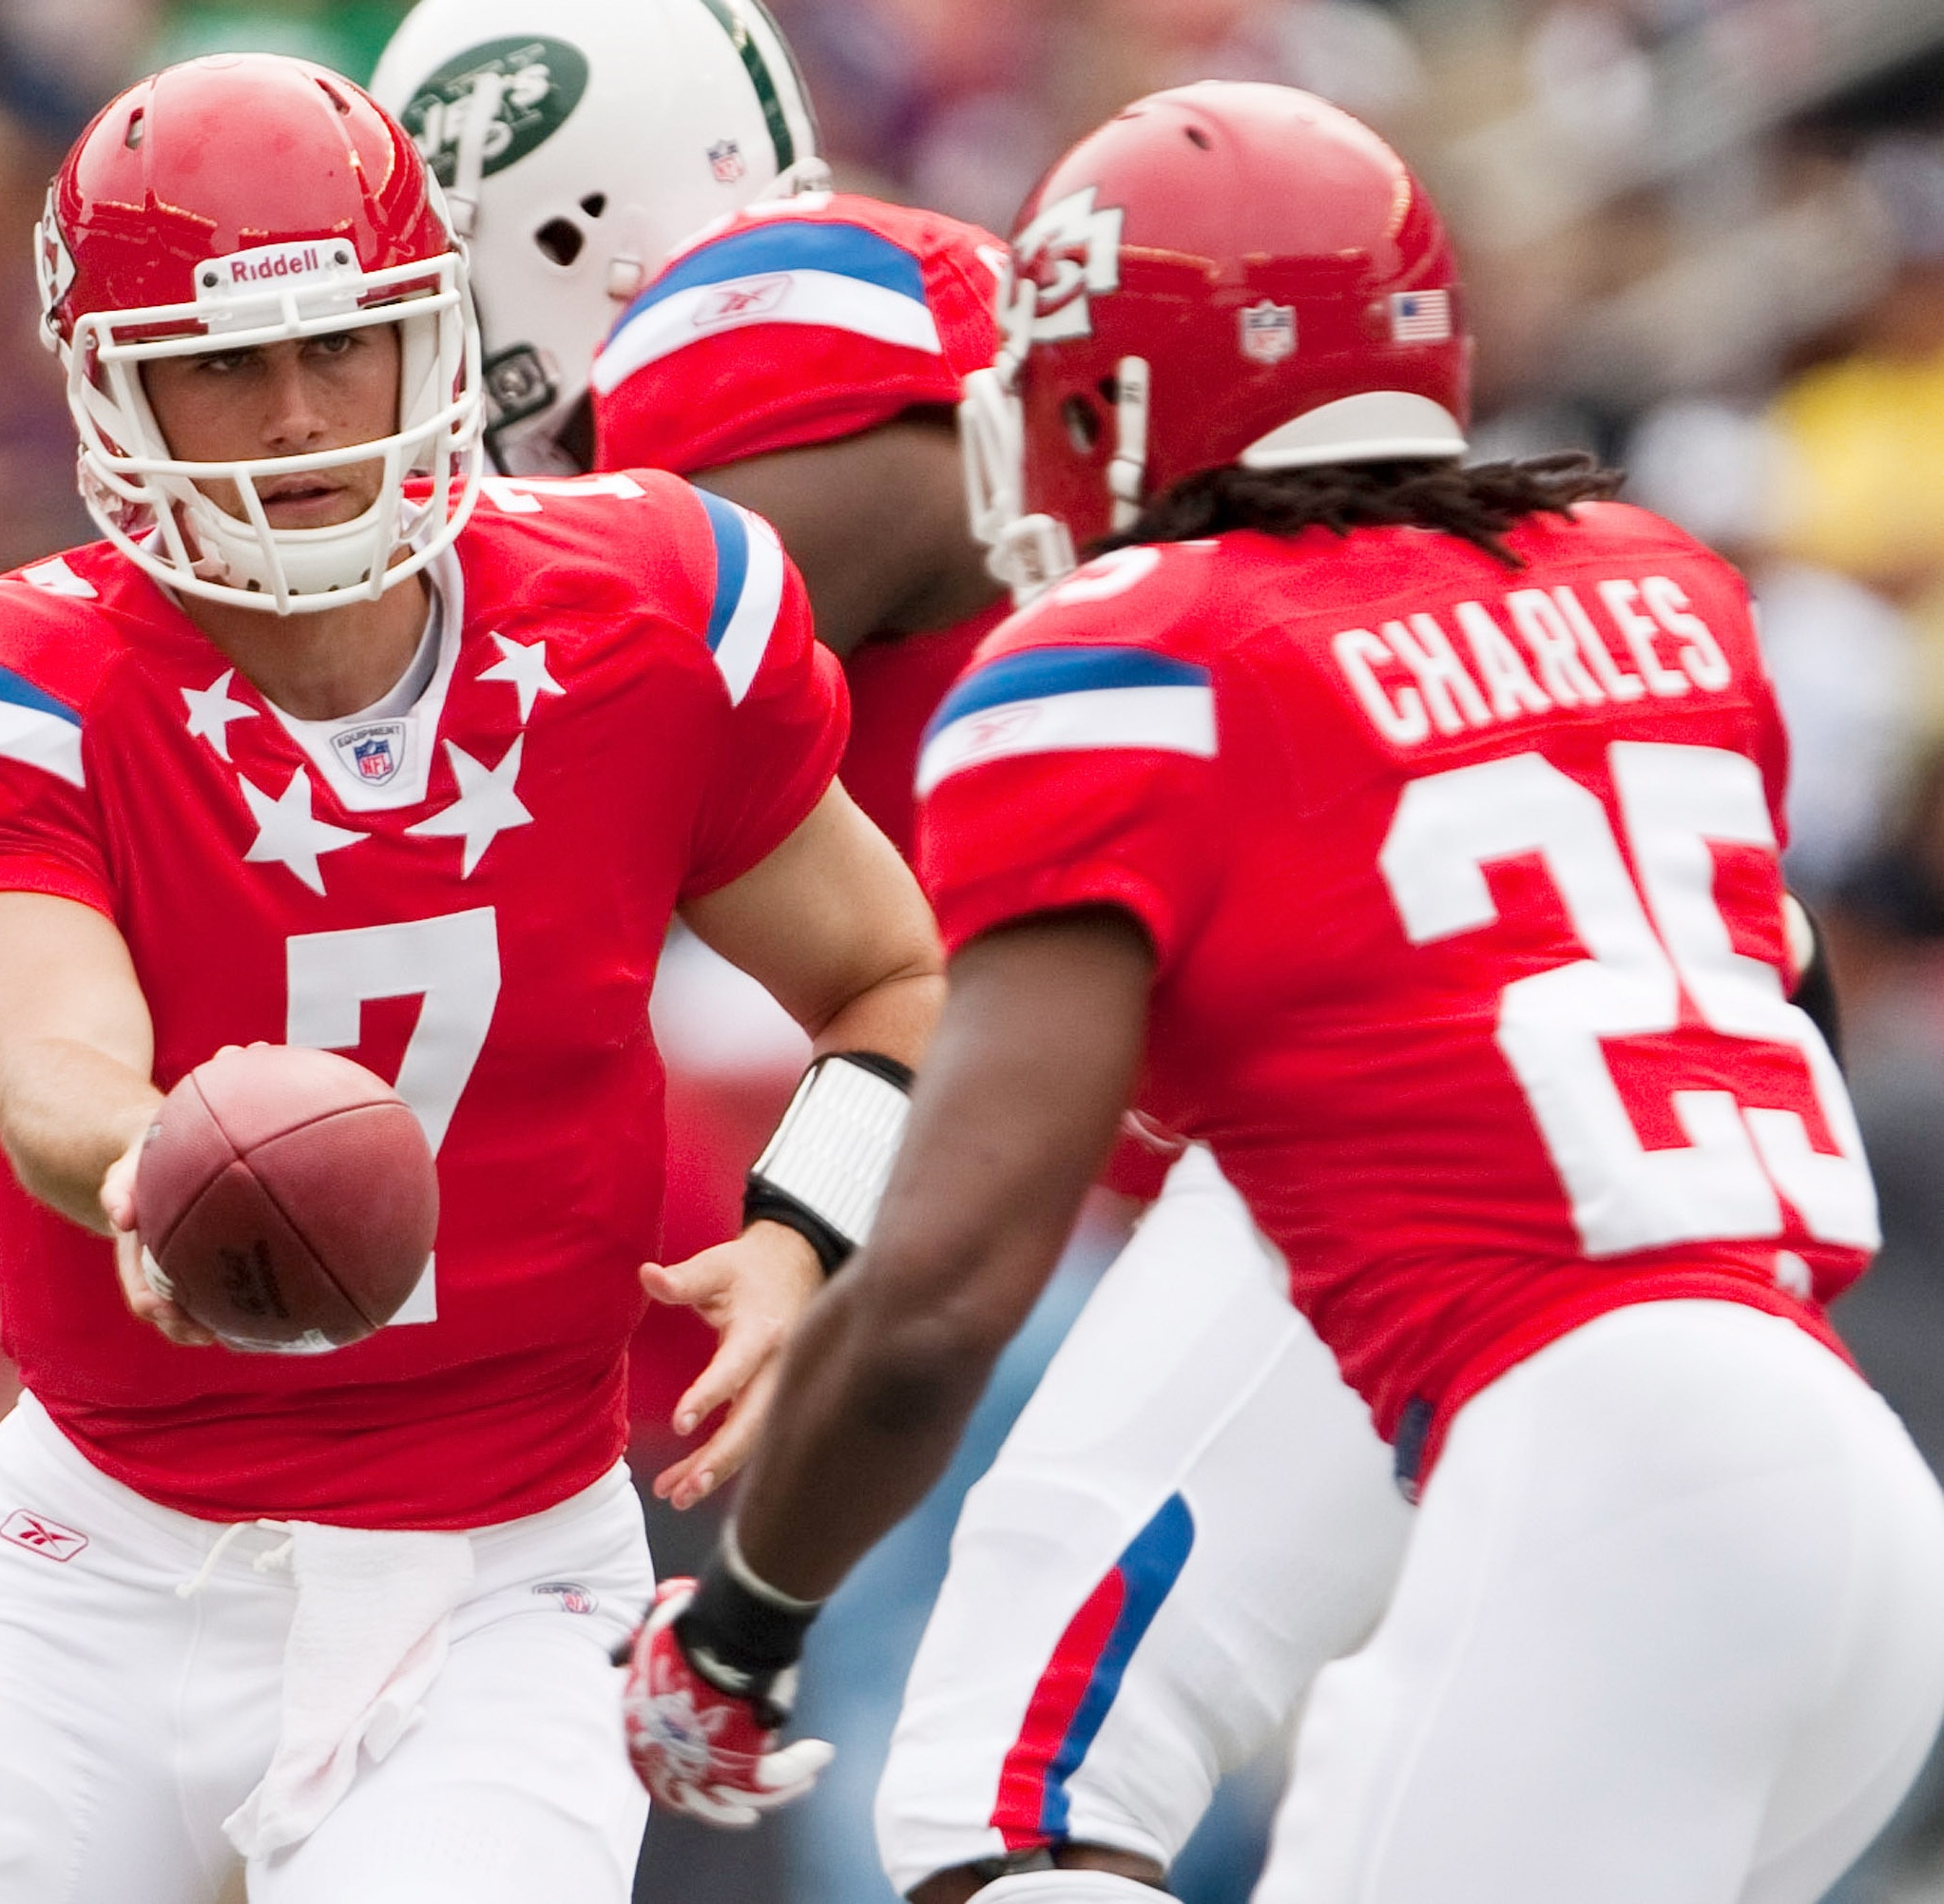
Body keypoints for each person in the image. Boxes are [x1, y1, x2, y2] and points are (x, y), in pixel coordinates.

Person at [623, 81, 1944, 1904]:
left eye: (1067, 396)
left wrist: (746, 1622)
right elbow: (1775, 983)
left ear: (1134, 399)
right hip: (1847, 1489)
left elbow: (938, 1291)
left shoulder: (1129, 655)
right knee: (1006, 1794)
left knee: (992, 1811)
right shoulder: (1665, 590)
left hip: (1593, 1467)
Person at [0, 51, 939, 1904]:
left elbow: (897, 974)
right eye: (223, 363)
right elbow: (44, 1053)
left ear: (438, 335)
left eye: (341, 344)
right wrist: (162, 1172)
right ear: (113, 389)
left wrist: (803, 1228)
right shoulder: (8, 684)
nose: (293, 419)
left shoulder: (648, 602)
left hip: (508, 1576)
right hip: (106, 1557)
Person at [373, 8, 1410, 1896]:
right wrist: (802, 1220)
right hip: (1328, 1177)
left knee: (994, 1775)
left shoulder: (765, 321)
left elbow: (671, 626)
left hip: (1293, 1191)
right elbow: (918, 992)